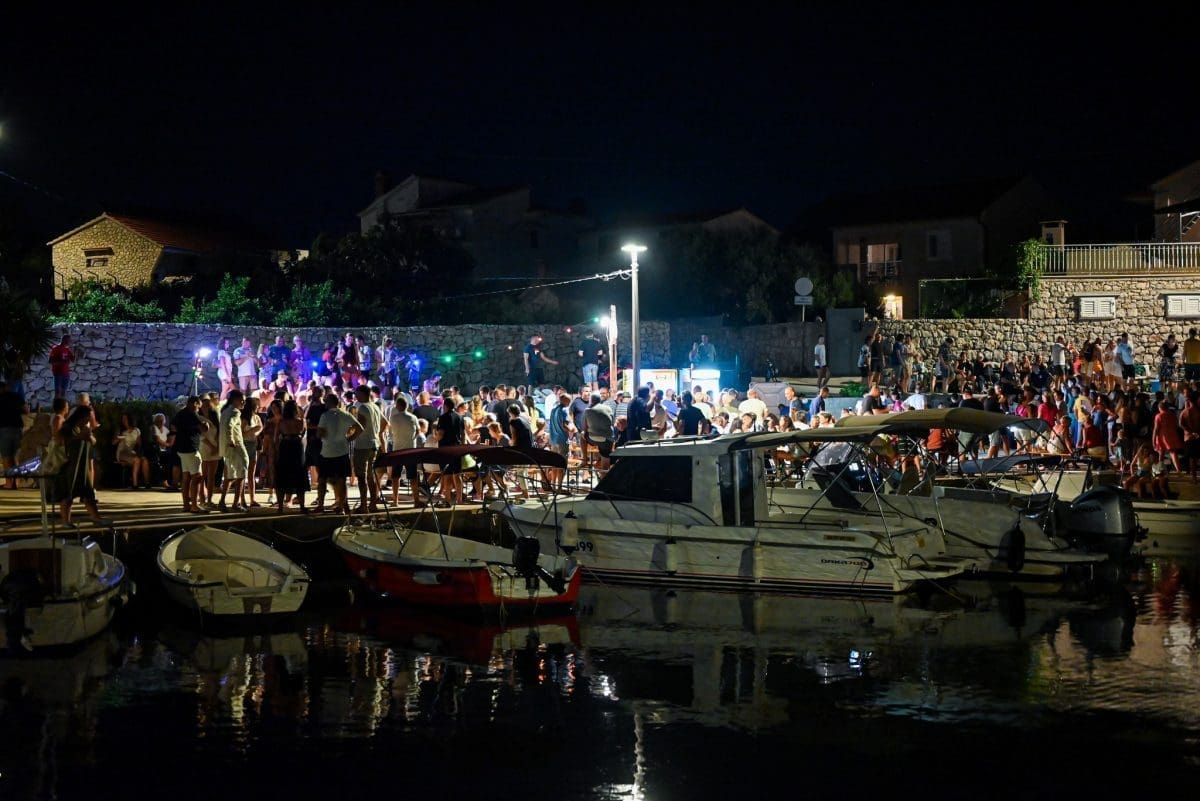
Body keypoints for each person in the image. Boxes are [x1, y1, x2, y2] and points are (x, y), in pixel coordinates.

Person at [49, 405, 106, 526]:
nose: (89, 420)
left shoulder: (84, 428)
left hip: (82, 466)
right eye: (88, 417)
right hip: (71, 466)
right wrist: (79, 437)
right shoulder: (69, 427)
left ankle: (96, 518)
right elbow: (60, 441)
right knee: (68, 494)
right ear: (81, 416)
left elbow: (93, 441)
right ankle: (66, 521)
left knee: (88, 493)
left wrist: (89, 436)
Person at [317, 392, 361, 515]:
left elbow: (320, 433)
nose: (325, 403)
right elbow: (359, 428)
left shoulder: (325, 416)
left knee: (322, 480)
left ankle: (321, 505)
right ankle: (342, 506)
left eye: (326, 401)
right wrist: (349, 438)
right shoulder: (345, 414)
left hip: (327, 451)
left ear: (329, 402)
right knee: (342, 480)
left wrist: (321, 434)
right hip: (342, 451)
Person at [170, 395, 209, 514]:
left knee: (186, 477)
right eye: (199, 406)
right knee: (197, 477)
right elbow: (204, 429)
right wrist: (205, 424)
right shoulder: (193, 414)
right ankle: (195, 505)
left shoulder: (180, 414)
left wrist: (182, 431)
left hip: (181, 448)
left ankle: (186, 505)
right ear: (195, 403)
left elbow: (173, 427)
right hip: (191, 448)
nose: (199, 409)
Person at [352, 385, 384, 512]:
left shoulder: (363, 407)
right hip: (374, 443)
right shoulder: (375, 406)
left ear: (362, 394)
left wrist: (350, 438)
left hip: (363, 445)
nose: (355, 395)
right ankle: (373, 504)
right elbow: (384, 423)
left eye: (357, 393)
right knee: (371, 476)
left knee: (362, 476)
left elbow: (361, 426)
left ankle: (364, 505)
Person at [274, 399, 309, 513]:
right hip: (297, 447)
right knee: (299, 474)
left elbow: (276, 439)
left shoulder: (281, 422)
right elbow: (303, 433)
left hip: (285, 446)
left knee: (282, 475)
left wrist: (277, 450)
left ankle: (280, 507)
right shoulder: (301, 421)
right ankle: (302, 506)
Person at [218, 391, 249, 512]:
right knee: (242, 473)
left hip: (227, 448)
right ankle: (236, 503)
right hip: (236, 447)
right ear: (235, 400)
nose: (244, 403)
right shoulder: (235, 412)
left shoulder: (225, 411)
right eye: (242, 400)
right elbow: (229, 426)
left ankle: (222, 501)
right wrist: (231, 441)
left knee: (230, 476)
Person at [113, 412, 150, 489]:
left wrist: (138, 453)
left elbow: (139, 444)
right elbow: (113, 442)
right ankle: (135, 484)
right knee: (137, 460)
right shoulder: (120, 430)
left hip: (131, 452)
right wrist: (118, 438)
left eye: (125, 419)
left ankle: (147, 483)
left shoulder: (136, 430)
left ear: (130, 419)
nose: (123, 421)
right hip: (122, 452)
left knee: (144, 460)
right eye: (122, 419)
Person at [0, 381, 25, 490]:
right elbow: (26, 410)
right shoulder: (16, 396)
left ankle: (9, 483)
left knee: (6, 457)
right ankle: (16, 482)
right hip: (18, 428)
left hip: (4, 428)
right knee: (15, 457)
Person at [48, 334, 76, 400]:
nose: (70, 342)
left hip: (66, 373)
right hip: (58, 373)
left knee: (64, 392)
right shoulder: (56, 348)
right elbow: (51, 361)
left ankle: (62, 405)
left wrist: (75, 352)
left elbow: (73, 360)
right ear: (64, 340)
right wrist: (61, 362)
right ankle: (56, 405)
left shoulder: (67, 349)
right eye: (69, 340)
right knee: (57, 392)